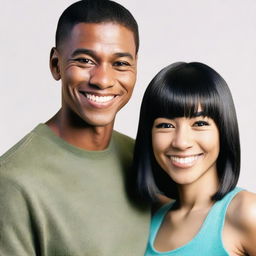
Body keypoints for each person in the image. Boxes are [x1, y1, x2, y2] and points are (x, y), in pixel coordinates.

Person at [0, 0, 150, 255]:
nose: (103, 80)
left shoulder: (145, 159)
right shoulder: (13, 181)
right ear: (56, 65)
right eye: (85, 60)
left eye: (120, 64)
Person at [133, 62, 256, 255]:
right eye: (165, 125)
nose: (181, 142)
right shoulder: (152, 219)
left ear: (223, 131)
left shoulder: (247, 212)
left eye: (199, 123)